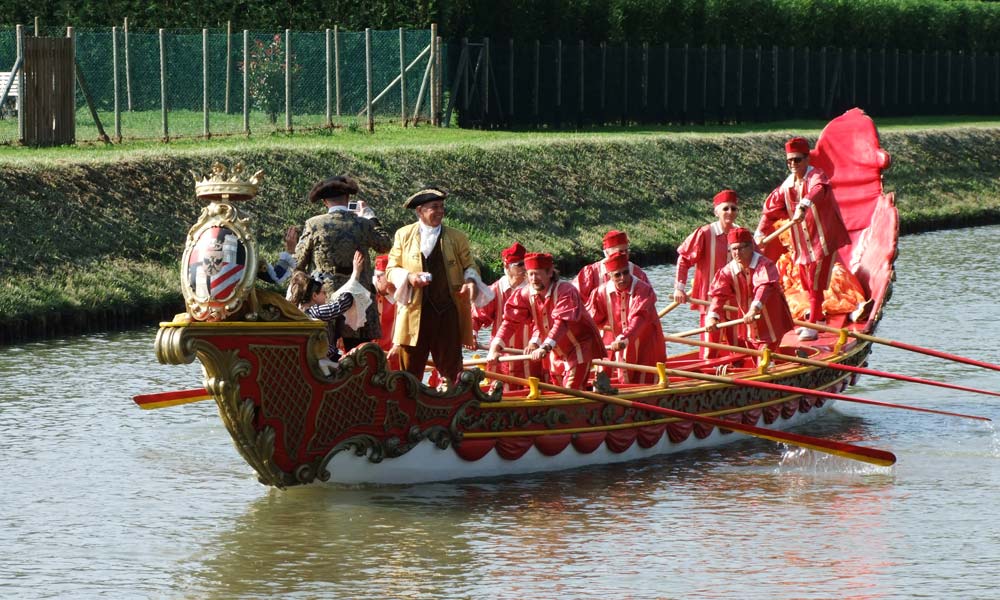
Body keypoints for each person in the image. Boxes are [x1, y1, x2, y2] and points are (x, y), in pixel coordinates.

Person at [386, 188, 492, 386]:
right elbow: (391, 269)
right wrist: (409, 277)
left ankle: (452, 408)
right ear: (420, 211)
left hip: (447, 312)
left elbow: (470, 265)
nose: (440, 211)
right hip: (414, 314)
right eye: (434, 207)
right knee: (409, 372)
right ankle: (410, 410)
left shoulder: (457, 237)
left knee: (452, 370)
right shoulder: (403, 235)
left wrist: (470, 281)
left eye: (442, 207)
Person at [755, 137, 850, 340]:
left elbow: (818, 190)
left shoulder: (816, 176)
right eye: (789, 160)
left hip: (821, 239)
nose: (793, 164)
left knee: (815, 281)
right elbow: (770, 210)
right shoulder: (787, 185)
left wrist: (804, 204)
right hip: (802, 243)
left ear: (807, 159)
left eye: (797, 160)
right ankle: (818, 318)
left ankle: (814, 324)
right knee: (806, 281)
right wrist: (760, 233)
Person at [294, 175, 392, 350]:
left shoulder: (314, 224)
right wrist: (370, 216)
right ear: (348, 199)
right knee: (360, 353)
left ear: (325, 202)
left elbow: (300, 260)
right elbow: (385, 245)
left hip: (325, 294)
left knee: (324, 349)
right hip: (358, 293)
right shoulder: (363, 224)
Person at [487, 252, 604, 390]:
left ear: (550, 273)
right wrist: (494, 348)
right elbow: (509, 322)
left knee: (570, 390)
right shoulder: (524, 294)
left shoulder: (566, 291)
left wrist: (545, 346)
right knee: (556, 392)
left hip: (579, 348)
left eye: (537, 274)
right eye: (530, 274)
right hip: (555, 352)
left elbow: (561, 323)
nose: (533, 279)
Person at [706, 228, 795, 359]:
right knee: (757, 359)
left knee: (763, 357)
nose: (737, 253)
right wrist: (712, 317)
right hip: (748, 327)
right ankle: (778, 362)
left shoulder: (765, 265)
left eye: (741, 248)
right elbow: (719, 296)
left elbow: (763, 288)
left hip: (771, 324)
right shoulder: (727, 271)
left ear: (751, 247)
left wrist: (754, 309)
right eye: (734, 249)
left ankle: (770, 370)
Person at [673, 189, 741, 358]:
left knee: (737, 342)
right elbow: (684, 259)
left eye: (733, 208)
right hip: (709, 299)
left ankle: (739, 369)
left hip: (735, 299)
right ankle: (709, 370)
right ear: (716, 211)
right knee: (710, 345)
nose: (730, 212)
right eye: (725, 208)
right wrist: (679, 288)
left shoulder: (741, 233)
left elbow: (756, 261)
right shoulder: (704, 233)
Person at [587, 251, 666, 384]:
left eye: (625, 272)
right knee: (617, 372)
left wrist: (624, 338)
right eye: (617, 275)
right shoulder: (600, 293)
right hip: (621, 342)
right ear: (610, 276)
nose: (623, 278)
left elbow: (639, 318)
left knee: (644, 379)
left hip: (646, 342)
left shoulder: (643, 290)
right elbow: (590, 320)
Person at [472, 242, 540, 390]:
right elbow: (476, 317)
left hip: (529, 356)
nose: (525, 268)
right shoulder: (494, 290)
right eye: (520, 264)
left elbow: (542, 322)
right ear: (507, 266)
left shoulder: (535, 291)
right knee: (497, 392)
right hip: (500, 359)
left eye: (526, 264)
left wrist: (534, 342)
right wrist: (472, 334)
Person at [287, 250, 366, 364]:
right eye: (323, 293)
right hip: (324, 360)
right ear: (314, 296)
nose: (326, 296)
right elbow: (342, 304)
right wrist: (356, 274)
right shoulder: (315, 312)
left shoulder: (298, 310)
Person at [573, 229, 650, 302]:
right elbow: (573, 299)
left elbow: (648, 300)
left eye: (626, 251)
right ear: (607, 253)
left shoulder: (638, 274)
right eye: (620, 252)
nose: (624, 255)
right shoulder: (590, 273)